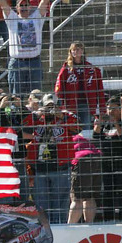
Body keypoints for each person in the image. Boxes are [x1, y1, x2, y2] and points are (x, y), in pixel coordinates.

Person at [22, 93, 79, 224]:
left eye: (53, 106)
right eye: (48, 106)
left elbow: (78, 128)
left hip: (61, 167)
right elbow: (23, 128)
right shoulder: (37, 118)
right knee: (41, 203)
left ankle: (60, 228)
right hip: (40, 168)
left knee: (59, 204)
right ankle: (43, 229)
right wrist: (37, 113)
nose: (50, 109)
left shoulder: (66, 116)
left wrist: (61, 116)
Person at [92, 94, 122, 222]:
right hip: (107, 162)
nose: (110, 111)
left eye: (114, 108)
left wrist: (116, 123)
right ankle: (108, 219)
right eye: (109, 108)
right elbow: (95, 136)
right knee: (107, 192)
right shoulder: (105, 124)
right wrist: (100, 122)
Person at [0, 0, 48, 97]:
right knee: (16, 96)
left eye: (26, 5)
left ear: (30, 7)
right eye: (21, 5)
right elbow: (3, 4)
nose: (24, 7)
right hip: (17, 63)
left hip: (34, 62)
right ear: (17, 7)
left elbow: (44, 3)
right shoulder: (12, 18)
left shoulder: (37, 17)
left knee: (36, 95)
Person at [54, 42, 105, 129]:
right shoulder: (66, 69)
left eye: (79, 49)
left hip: (87, 104)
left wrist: (102, 109)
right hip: (71, 105)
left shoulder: (92, 69)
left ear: (83, 51)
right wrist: (63, 105)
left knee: (86, 129)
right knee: (72, 130)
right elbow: (58, 89)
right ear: (70, 52)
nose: (76, 51)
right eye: (74, 49)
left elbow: (100, 90)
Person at [68, 133, 102, 224]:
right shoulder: (79, 137)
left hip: (81, 160)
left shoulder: (64, 138)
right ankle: (89, 224)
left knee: (77, 198)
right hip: (97, 157)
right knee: (89, 197)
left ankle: (70, 226)